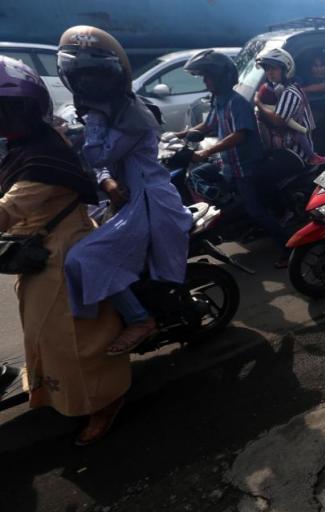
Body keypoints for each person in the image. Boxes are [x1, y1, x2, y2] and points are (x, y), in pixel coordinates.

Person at [0, 55, 131, 445]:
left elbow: (7, 210)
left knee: (73, 339)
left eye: (4, 110)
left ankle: (104, 401)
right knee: (46, 335)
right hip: (39, 251)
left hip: (61, 253)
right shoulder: (29, 143)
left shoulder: (41, 158)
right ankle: (56, 390)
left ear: (21, 110)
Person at [57, 26, 193, 355]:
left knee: (83, 259)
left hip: (149, 204)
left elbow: (98, 155)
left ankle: (139, 319)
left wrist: (91, 122)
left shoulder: (132, 116)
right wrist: (107, 180)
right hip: (126, 200)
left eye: (95, 75)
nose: (87, 84)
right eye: (81, 76)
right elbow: (102, 167)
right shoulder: (111, 111)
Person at [180, 49, 290, 267]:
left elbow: (240, 135)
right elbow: (208, 124)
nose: (204, 81)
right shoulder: (219, 99)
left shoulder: (237, 102)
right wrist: (178, 135)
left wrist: (206, 152)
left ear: (220, 77)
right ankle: (224, 208)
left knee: (256, 211)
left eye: (208, 76)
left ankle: (287, 248)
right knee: (195, 175)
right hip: (227, 164)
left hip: (245, 167)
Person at [254, 46, 325, 166]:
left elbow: (278, 120)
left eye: (274, 68)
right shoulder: (278, 87)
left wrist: (258, 102)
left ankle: (313, 157)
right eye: (267, 68)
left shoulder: (290, 92)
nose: (270, 72)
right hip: (284, 149)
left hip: (296, 154)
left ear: (285, 69)